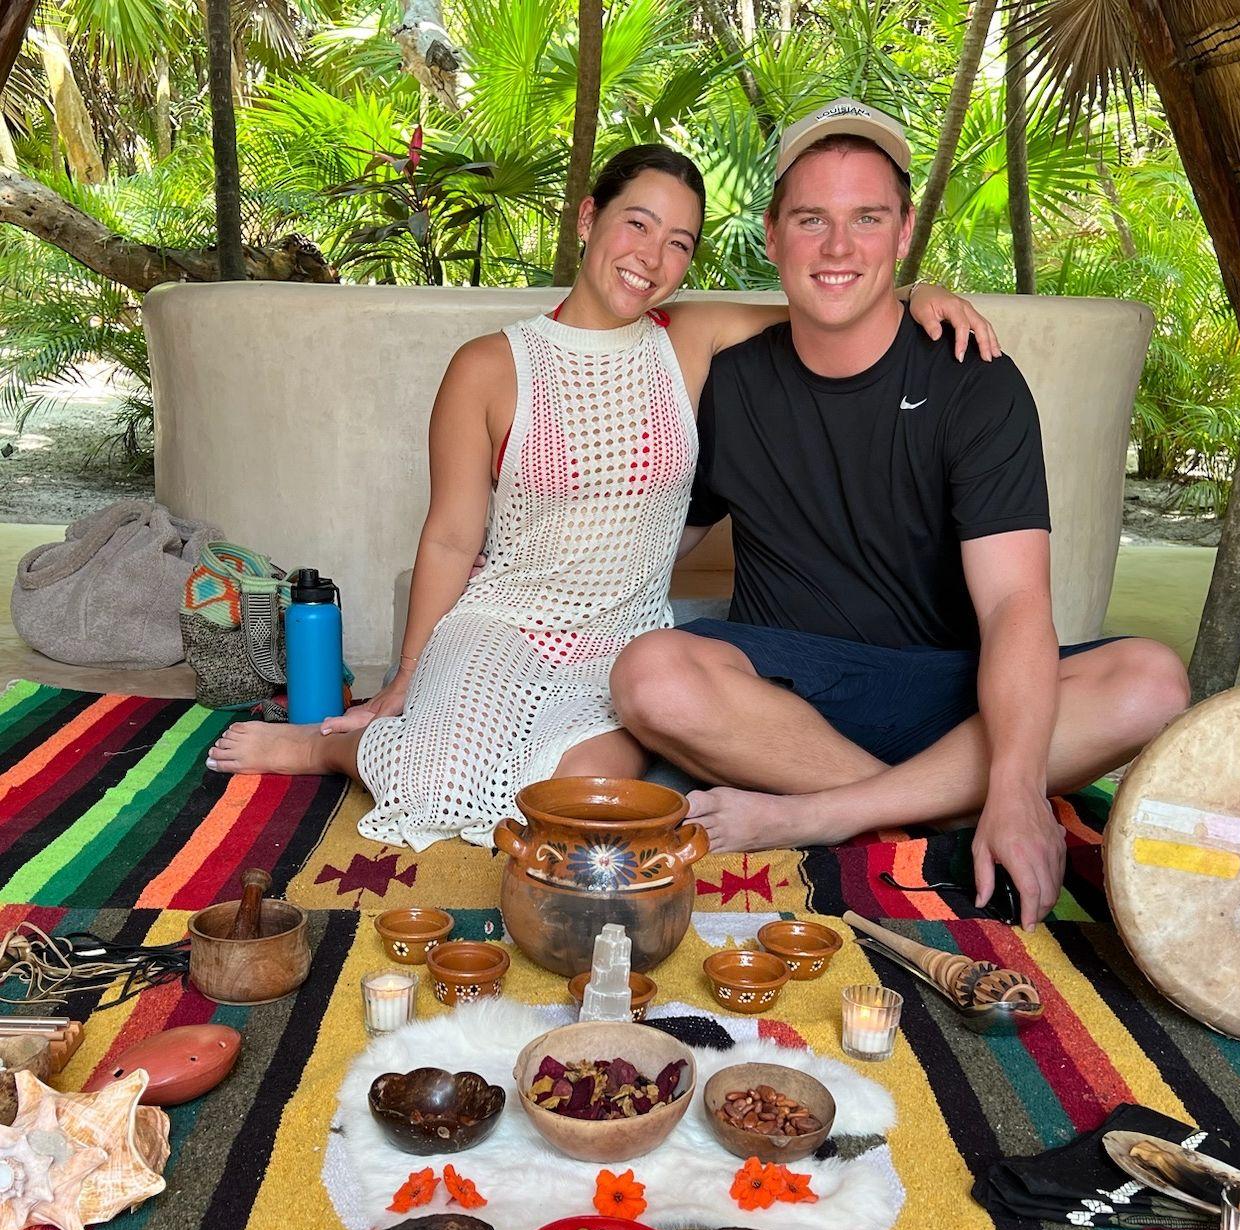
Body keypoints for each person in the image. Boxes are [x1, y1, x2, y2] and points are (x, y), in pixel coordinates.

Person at [206, 142, 995, 849]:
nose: (652, 257)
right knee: (435, 788)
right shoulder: (488, 364)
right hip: (503, 623)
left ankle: (434, 746)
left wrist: (915, 294)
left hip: (624, 642)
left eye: (679, 242)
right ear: (589, 217)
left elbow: (833, 299)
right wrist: (408, 676)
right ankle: (324, 747)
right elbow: (450, 538)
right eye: (638, 224)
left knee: (581, 806)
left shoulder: (686, 339)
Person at [608, 101, 1191, 925]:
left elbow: (1014, 603)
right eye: (811, 219)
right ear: (772, 236)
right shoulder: (730, 380)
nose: (838, 247)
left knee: (1150, 681)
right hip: (789, 693)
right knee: (650, 674)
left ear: (903, 231)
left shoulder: (973, 378)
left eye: (866, 218)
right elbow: (643, 544)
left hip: (951, 690)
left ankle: (825, 815)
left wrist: (1019, 788)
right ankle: (935, 810)